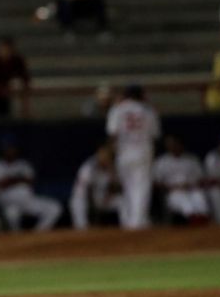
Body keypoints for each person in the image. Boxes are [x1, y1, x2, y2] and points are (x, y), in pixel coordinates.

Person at [106, 84, 159, 229]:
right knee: (141, 188)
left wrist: (112, 154)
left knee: (128, 188)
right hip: (142, 151)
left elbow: (112, 134)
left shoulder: (117, 109)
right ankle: (137, 222)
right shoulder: (148, 110)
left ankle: (130, 221)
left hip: (123, 152)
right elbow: (155, 133)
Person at [0, 136, 62, 232]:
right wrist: (20, 178)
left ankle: (37, 234)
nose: (10, 150)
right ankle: (17, 240)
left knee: (55, 207)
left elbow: (30, 181)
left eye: (12, 147)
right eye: (8, 148)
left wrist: (11, 180)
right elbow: (1, 184)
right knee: (12, 214)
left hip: (28, 201)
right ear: (3, 150)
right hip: (8, 203)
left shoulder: (23, 164)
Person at [153, 135, 210, 225]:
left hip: (192, 189)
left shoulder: (191, 159)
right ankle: (193, 219)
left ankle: (203, 220)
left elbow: (201, 179)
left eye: (175, 144)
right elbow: (156, 182)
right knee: (184, 201)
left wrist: (190, 185)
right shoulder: (161, 162)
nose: (173, 147)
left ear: (181, 145)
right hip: (173, 191)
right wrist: (171, 187)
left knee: (199, 197)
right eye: (170, 145)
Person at [69, 144, 123, 229]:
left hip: (101, 198)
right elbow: (87, 191)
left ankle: (129, 228)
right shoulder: (89, 167)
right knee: (79, 203)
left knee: (121, 201)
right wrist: (93, 212)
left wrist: (111, 173)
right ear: (98, 154)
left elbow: (118, 188)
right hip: (83, 199)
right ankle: (82, 228)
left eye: (106, 155)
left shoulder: (112, 167)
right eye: (101, 154)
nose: (104, 156)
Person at [0, 35, 30, 118]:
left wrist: (25, 103)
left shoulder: (17, 60)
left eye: (8, 49)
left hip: (5, 95)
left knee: (5, 117)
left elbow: (25, 77)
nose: (5, 51)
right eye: (3, 48)